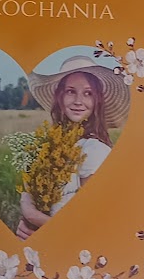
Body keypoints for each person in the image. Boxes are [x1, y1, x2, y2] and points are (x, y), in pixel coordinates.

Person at [16, 56, 130, 239]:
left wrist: (31, 215)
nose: (78, 101)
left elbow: (86, 226)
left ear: (98, 101)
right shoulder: (53, 146)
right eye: (70, 91)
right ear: (59, 97)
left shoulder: (94, 150)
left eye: (88, 93)